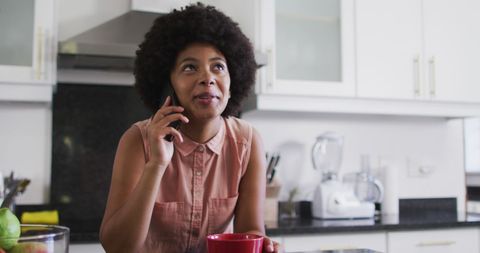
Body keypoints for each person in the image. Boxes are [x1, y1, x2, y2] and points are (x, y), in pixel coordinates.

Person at [99, 3, 281, 253]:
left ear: (233, 79)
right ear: (168, 84)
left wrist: (261, 243)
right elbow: (117, 248)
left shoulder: (247, 141)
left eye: (218, 66)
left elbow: (250, 229)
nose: (208, 77)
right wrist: (157, 165)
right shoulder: (137, 141)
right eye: (189, 67)